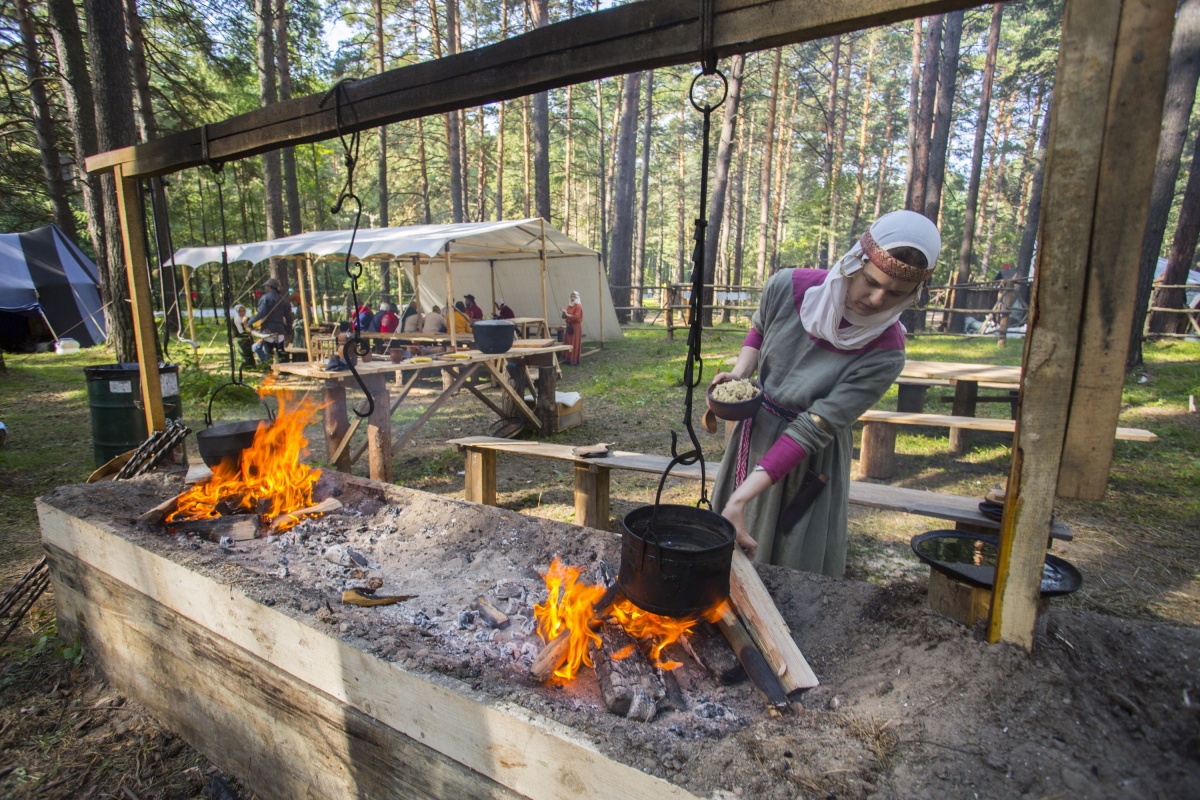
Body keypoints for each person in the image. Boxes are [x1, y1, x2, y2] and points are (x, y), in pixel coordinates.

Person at [710, 210, 941, 577]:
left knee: (788, 559)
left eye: (896, 293)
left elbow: (812, 429)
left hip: (809, 456)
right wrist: (740, 375)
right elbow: (760, 329)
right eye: (871, 281)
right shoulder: (788, 286)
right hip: (755, 434)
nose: (878, 299)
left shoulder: (886, 351)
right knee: (723, 556)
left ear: (913, 294)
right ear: (853, 264)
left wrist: (740, 498)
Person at [248, 278, 294, 364]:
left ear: (269, 287)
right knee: (281, 351)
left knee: (268, 352)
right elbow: (289, 317)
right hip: (280, 329)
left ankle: (269, 370)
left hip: (268, 329)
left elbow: (261, 313)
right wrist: (289, 331)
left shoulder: (265, 298)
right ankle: (283, 370)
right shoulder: (284, 300)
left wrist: (250, 321)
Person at [560, 290, 583, 366]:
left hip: (575, 326)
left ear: (576, 297)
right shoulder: (570, 305)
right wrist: (564, 312)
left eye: (573, 296)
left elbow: (577, 317)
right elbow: (564, 316)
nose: (572, 297)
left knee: (574, 341)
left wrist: (568, 314)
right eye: (571, 296)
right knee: (568, 341)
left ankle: (574, 359)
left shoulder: (578, 306)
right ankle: (568, 358)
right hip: (569, 325)